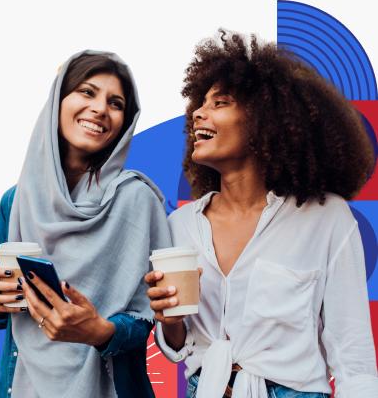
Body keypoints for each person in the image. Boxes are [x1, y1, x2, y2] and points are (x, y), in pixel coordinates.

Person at [145, 31, 378, 398]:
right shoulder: (180, 227)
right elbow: (179, 347)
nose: (198, 114)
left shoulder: (327, 219)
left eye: (220, 102)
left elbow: (353, 356)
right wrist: (170, 323)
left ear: (264, 121)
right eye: (199, 104)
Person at [0, 51, 171, 398]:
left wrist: (100, 331)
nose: (100, 108)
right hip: (25, 386)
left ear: (125, 123)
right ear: (58, 100)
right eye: (87, 92)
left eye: (115, 103)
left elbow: (154, 318)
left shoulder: (136, 199)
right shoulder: (16, 201)